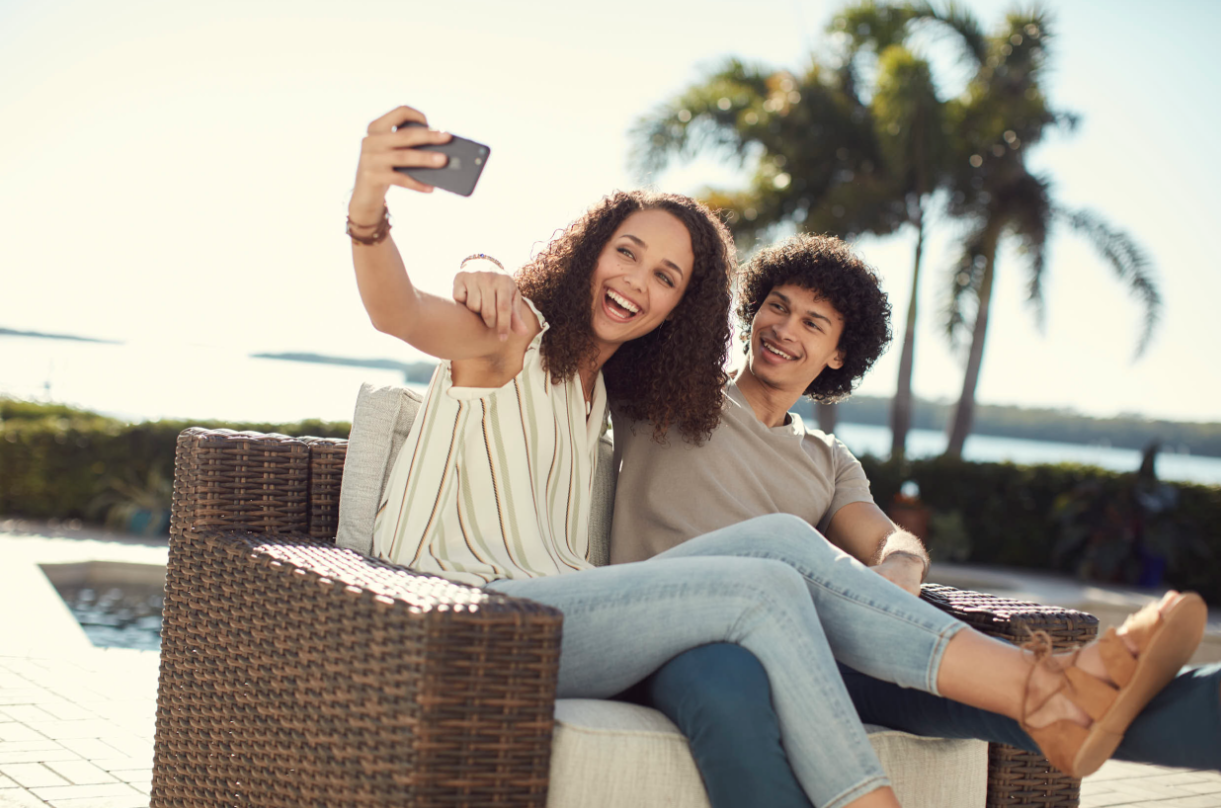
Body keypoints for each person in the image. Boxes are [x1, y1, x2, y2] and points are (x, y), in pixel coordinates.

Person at [354, 106, 1206, 808]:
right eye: (625, 254)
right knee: (774, 572)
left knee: (782, 562)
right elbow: (404, 312)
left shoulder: (661, 405)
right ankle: (1034, 694)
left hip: (647, 616)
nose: (638, 284)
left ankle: (1061, 698)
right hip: (517, 619)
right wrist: (411, 228)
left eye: (667, 278)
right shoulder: (581, 364)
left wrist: (898, 565)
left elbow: (880, 539)